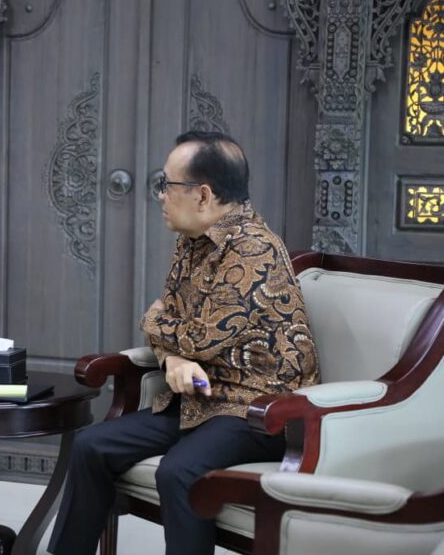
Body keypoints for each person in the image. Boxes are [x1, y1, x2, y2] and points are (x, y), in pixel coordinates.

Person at [47, 130, 319, 555]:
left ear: (203, 195)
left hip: (259, 408)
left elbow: (194, 335)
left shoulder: (254, 250)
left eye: (166, 184)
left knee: (179, 471)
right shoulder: (192, 241)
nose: (160, 195)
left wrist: (156, 325)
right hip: (203, 398)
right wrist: (172, 359)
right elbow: (177, 327)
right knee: (91, 446)